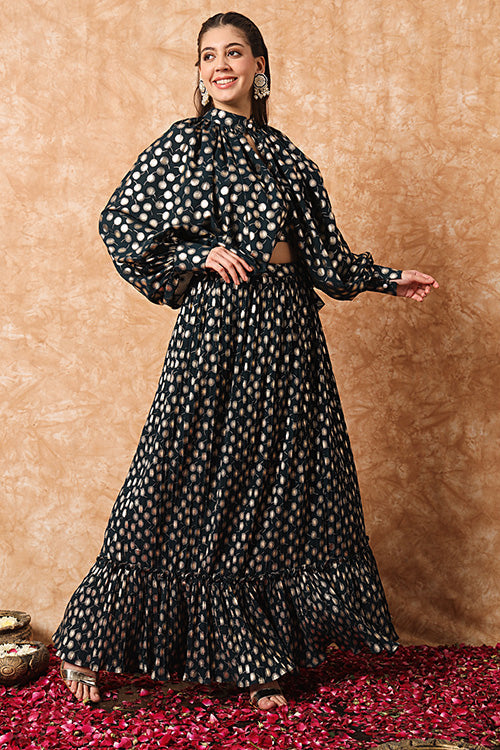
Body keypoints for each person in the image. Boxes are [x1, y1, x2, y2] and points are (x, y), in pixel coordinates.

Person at [53, 11, 438, 712]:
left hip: (289, 330)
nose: (221, 65)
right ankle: (90, 639)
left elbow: (324, 256)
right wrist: (197, 252)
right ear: (200, 72)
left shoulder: (289, 155)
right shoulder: (187, 142)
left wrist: (387, 278)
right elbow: (120, 222)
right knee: (177, 473)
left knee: (279, 488)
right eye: (209, 56)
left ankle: (260, 656)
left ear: (261, 65)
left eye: (234, 52)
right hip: (220, 326)